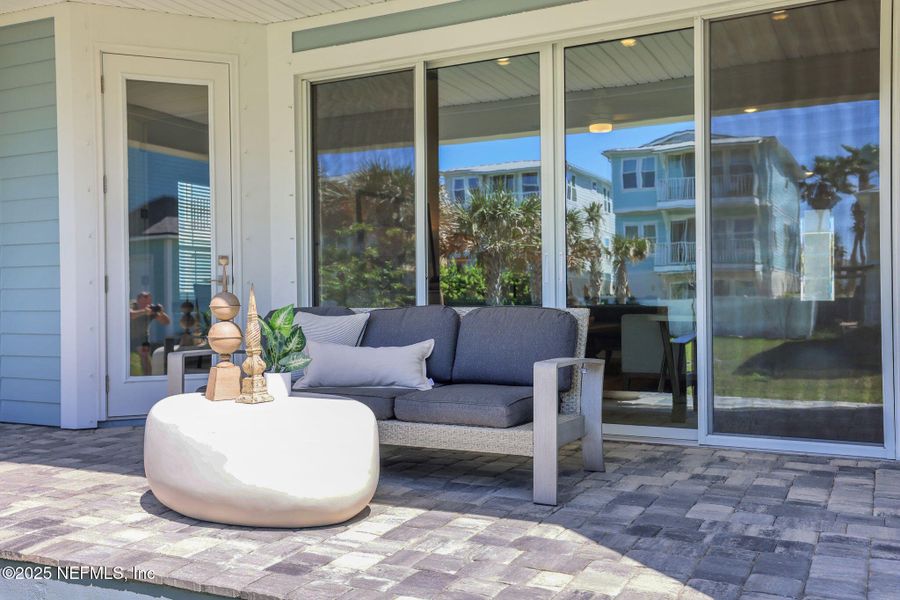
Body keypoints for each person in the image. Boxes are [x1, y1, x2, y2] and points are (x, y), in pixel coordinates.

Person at [130, 291, 171, 375]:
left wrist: (161, 313)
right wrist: (144, 311)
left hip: (142, 338)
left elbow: (166, 322)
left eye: (148, 301)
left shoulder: (151, 309)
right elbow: (131, 315)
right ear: (138, 300)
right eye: (144, 301)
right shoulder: (132, 305)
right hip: (127, 337)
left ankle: (147, 377)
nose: (147, 304)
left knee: (145, 356)